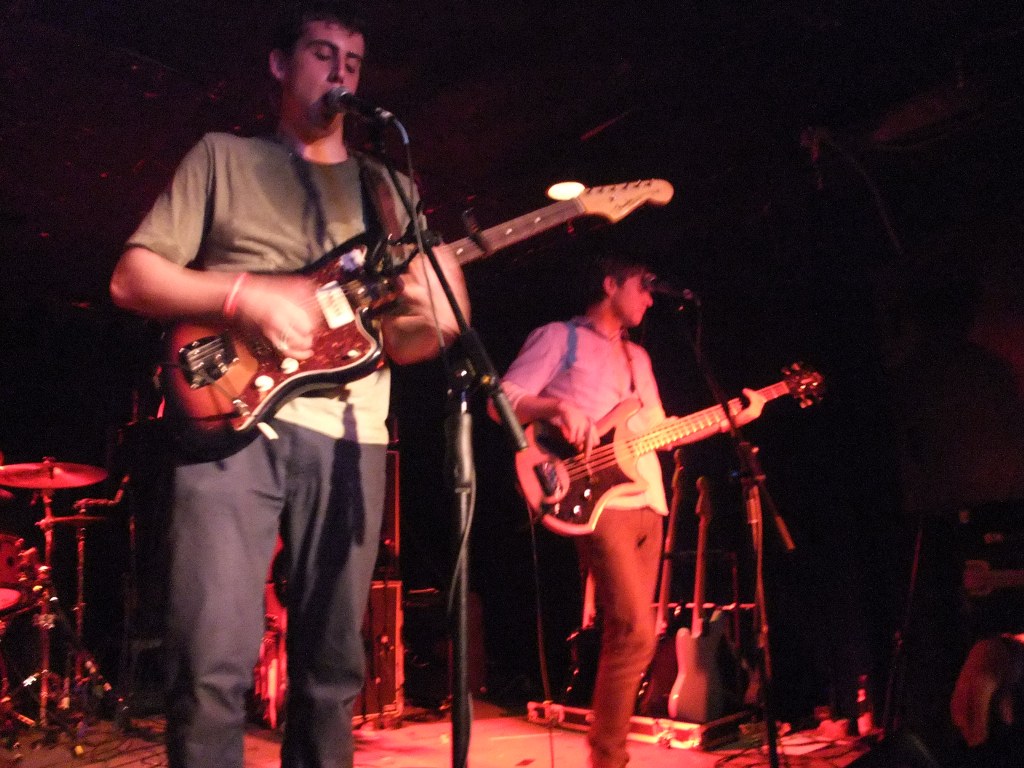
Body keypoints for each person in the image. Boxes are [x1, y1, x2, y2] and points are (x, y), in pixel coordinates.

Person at [108, 3, 469, 767]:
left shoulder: (387, 188)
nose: (340, 72)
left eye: (353, 61)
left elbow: (403, 342)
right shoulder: (223, 157)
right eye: (322, 53)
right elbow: (132, 278)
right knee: (210, 662)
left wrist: (442, 315)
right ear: (279, 63)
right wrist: (245, 295)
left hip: (351, 437)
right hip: (231, 420)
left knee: (333, 672)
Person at [498, 253, 765, 768]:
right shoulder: (559, 338)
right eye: (642, 286)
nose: (650, 298)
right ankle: (609, 759)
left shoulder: (637, 357)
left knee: (635, 637)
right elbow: (503, 398)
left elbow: (659, 430)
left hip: (647, 498)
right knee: (634, 630)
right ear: (609, 284)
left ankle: (607, 753)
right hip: (597, 501)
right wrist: (557, 407)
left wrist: (731, 418)